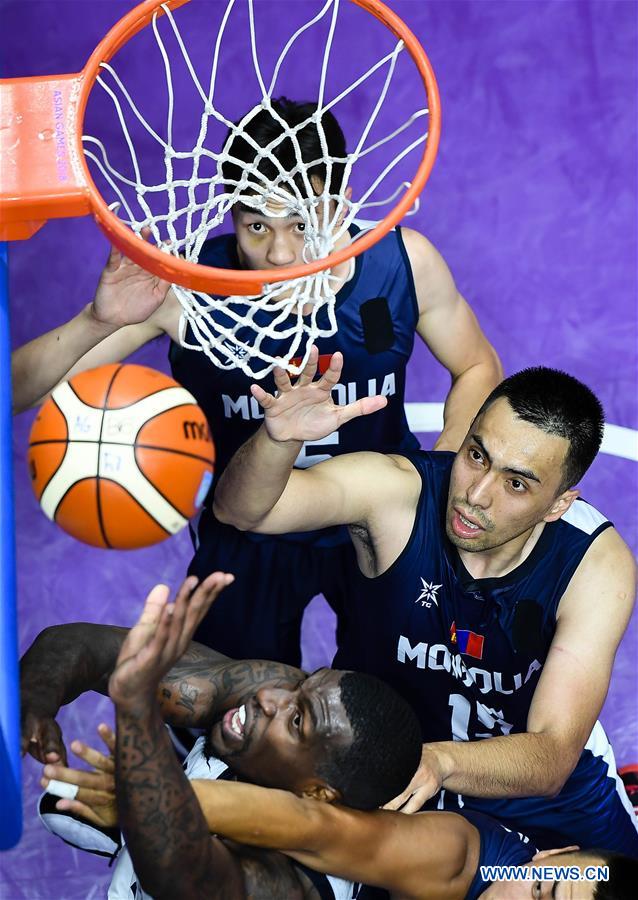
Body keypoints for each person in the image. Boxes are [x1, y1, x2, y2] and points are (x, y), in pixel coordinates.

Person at [12, 97, 503, 666]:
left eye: (302, 223)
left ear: (340, 207)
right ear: (230, 216)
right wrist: (96, 321)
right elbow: (15, 391)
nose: (280, 252)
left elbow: (476, 366)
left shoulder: (403, 262)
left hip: (377, 509)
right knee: (231, 720)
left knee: (402, 709)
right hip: (248, 522)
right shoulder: (183, 289)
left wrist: (439, 474)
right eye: (255, 226)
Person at [212, 353, 638, 857]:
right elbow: (241, 512)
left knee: (598, 885)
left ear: (559, 504)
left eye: (516, 483)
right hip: (379, 764)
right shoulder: (397, 493)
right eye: (476, 455)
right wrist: (276, 441)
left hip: (540, 795)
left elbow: (552, 755)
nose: (476, 495)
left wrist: (439, 763)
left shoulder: (593, 565)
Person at [35, 585, 636, 900]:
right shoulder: (459, 858)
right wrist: (152, 794)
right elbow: (313, 829)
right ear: (549, 858)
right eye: (541, 892)